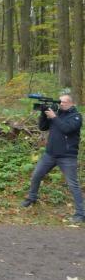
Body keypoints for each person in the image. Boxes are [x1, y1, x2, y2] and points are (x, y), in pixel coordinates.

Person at [22, 94, 85, 223]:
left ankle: (80, 214)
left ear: (71, 103)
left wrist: (54, 117)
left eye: (64, 102)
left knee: (73, 185)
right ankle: (32, 198)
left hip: (67, 157)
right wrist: (43, 114)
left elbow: (67, 129)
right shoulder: (56, 113)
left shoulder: (76, 116)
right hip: (50, 154)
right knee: (36, 175)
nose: (61, 104)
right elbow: (42, 127)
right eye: (60, 102)